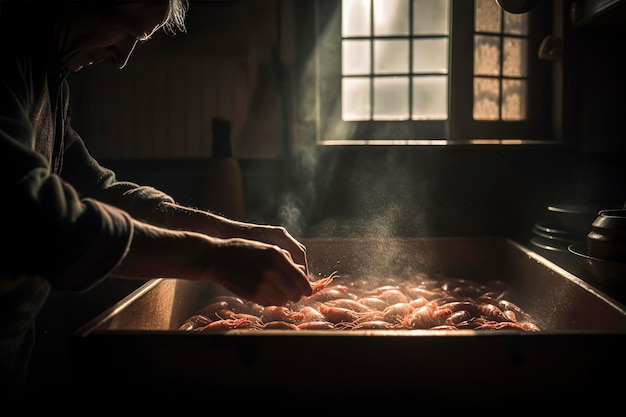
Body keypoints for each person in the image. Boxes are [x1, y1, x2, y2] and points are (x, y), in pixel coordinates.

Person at [0, 0, 312, 399]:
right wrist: (216, 258)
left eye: (138, 39)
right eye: (125, 28)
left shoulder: (48, 70)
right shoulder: (8, 58)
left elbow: (99, 190)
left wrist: (238, 234)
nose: (121, 58)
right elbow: (40, 222)